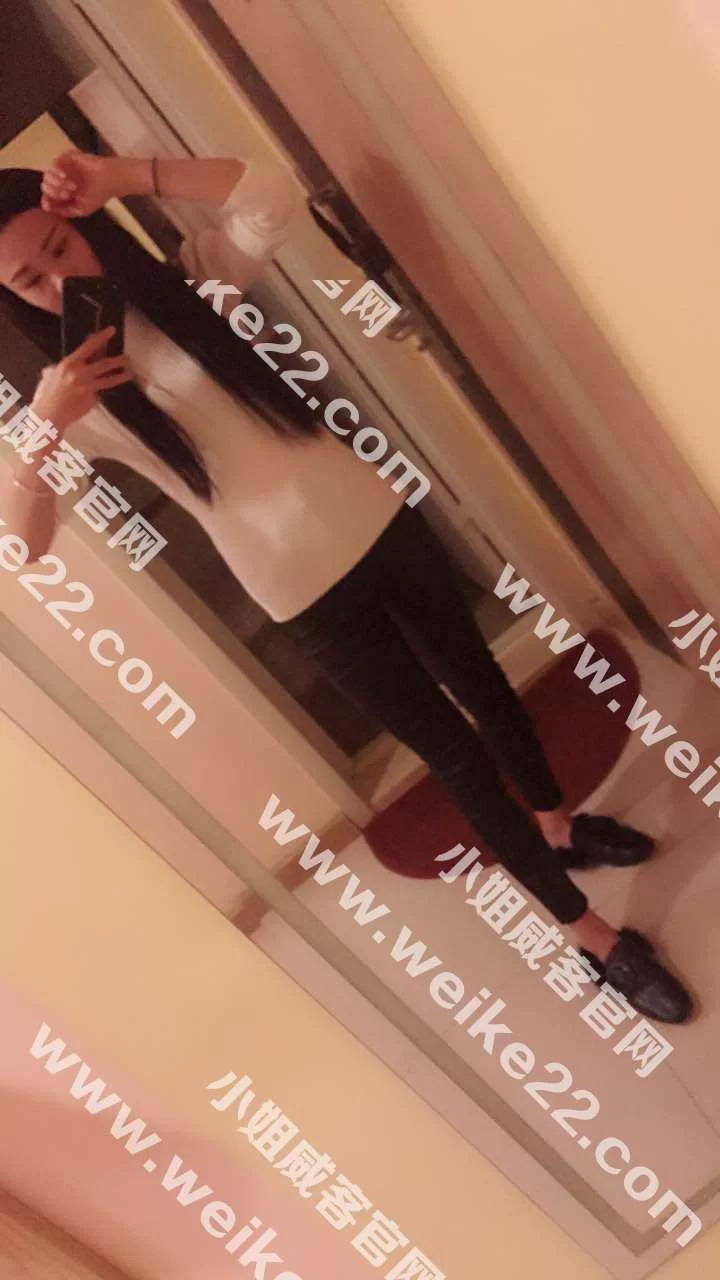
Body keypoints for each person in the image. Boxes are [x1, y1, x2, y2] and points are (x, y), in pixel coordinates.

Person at [0, 150, 693, 1023]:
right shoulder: (69, 403)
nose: (58, 283)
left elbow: (267, 195)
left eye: (61, 248)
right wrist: (42, 433)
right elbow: (22, 546)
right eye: (28, 281)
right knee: (454, 755)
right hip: (300, 594)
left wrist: (128, 175)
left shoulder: (192, 286)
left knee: (484, 681)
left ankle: (558, 828)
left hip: (377, 517)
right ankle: (589, 936)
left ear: (86, 226)